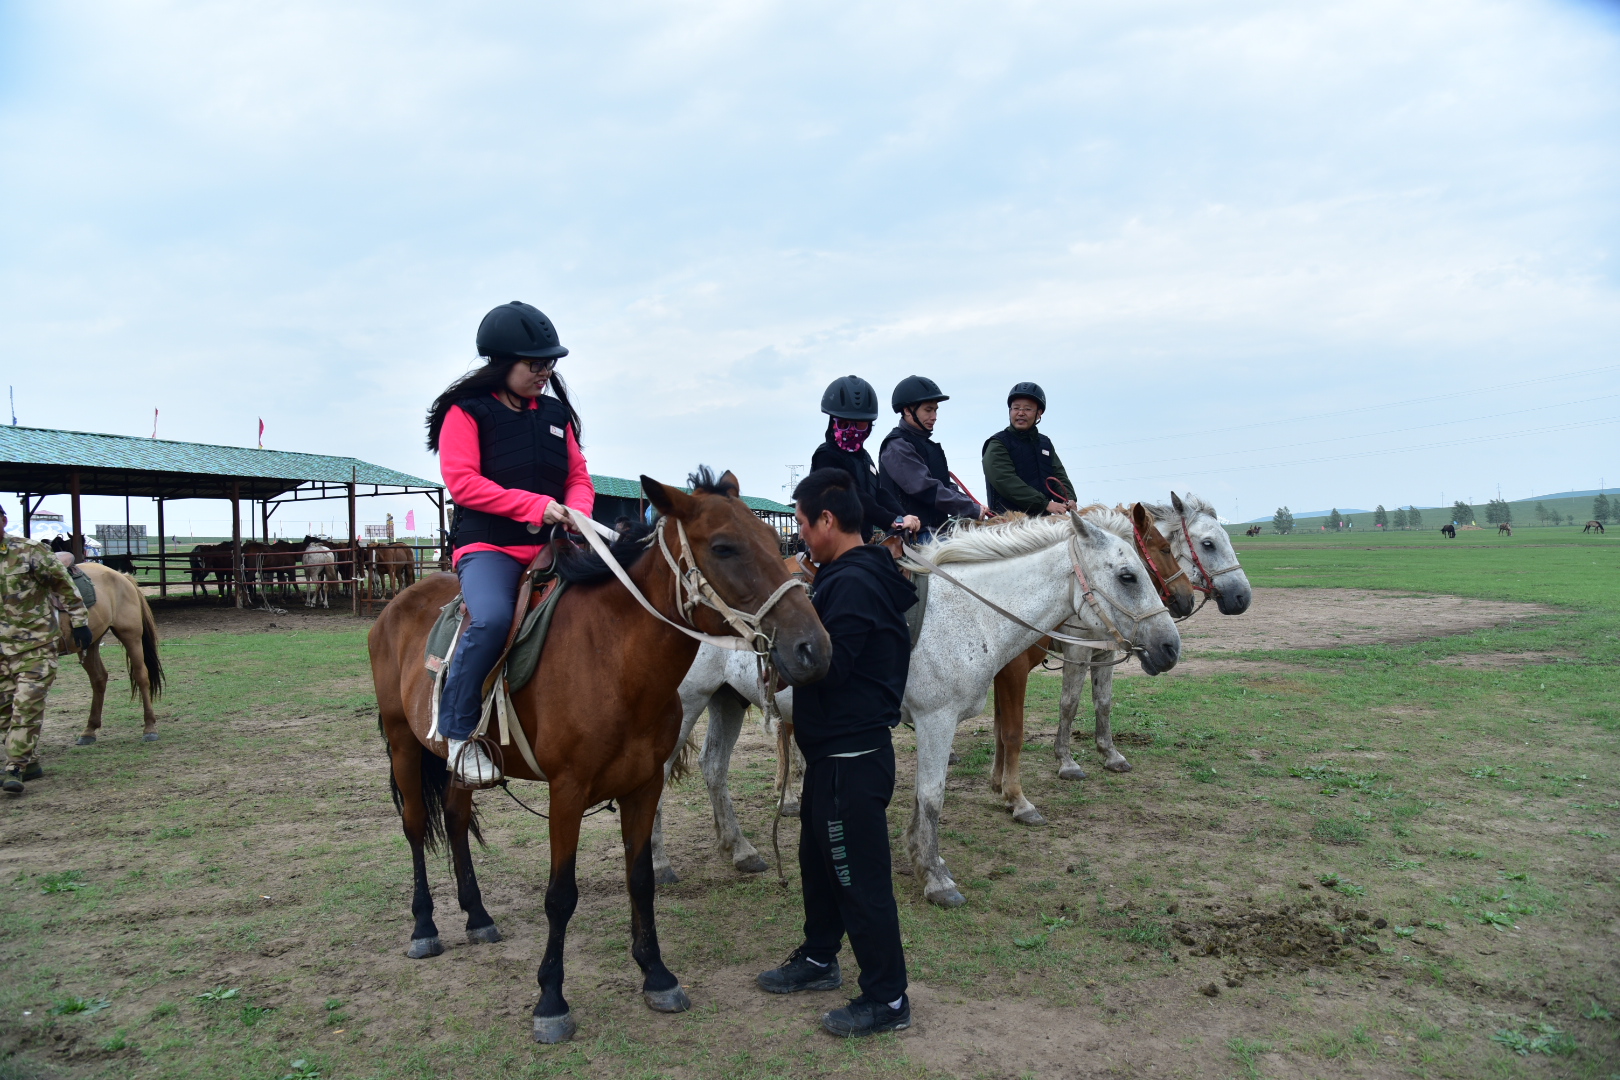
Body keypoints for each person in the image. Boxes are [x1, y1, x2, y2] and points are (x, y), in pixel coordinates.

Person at [755, 468, 916, 1037]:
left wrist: (771, 655)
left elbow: (828, 664)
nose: (799, 535)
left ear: (827, 520)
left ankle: (888, 998)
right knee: (819, 863)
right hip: (832, 754)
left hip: (853, 754)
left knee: (857, 875)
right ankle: (820, 957)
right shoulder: (846, 574)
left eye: (800, 522)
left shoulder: (850, 583)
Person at [424, 301, 596, 785]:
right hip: (490, 548)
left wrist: (578, 508)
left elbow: (579, 476)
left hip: (553, 546)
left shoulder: (556, 415)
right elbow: (463, 483)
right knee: (494, 618)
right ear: (503, 363)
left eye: (549, 364)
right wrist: (534, 507)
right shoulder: (466, 412)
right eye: (534, 364)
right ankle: (458, 735)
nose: (544, 373)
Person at [0, 505, 93, 795]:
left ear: (3, 521)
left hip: (35, 647)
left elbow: (63, 584)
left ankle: (15, 766)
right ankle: (30, 763)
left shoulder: (29, 552)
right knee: (3, 712)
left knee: (26, 706)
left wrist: (79, 622)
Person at [809, 376, 920, 539]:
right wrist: (893, 521)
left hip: (859, 542)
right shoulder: (826, 457)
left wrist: (904, 517)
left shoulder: (864, 458)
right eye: (845, 424)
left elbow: (879, 494)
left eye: (860, 425)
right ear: (833, 423)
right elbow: (852, 495)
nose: (852, 430)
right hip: (831, 543)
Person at [876, 376, 984, 534]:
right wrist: (971, 509)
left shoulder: (924, 444)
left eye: (935, 410)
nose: (934, 416)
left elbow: (944, 485)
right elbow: (926, 488)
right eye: (928, 410)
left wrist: (974, 505)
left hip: (937, 530)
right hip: (913, 536)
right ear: (907, 410)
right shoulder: (897, 446)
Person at [981, 381, 1075, 516]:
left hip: (1042, 521)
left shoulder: (1045, 443)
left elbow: (1058, 474)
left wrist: (1068, 498)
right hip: (1007, 523)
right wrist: (1045, 504)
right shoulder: (998, 444)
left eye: (1027, 409)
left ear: (1039, 413)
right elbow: (1005, 481)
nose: (1020, 413)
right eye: (1016, 408)